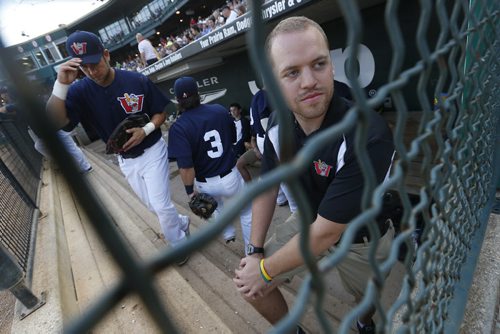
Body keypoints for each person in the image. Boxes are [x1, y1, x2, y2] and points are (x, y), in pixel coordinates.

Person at [233, 17, 395, 333]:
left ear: (332, 67)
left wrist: (264, 270)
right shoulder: (278, 123)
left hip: (361, 239)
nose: (309, 81)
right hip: (308, 221)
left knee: (366, 301)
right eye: (292, 72)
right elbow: (267, 186)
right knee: (249, 285)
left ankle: (364, 322)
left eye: (318, 64)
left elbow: (328, 233)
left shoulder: (366, 133)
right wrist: (255, 252)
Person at [46, 31, 190, 265]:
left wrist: (146, 130)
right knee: (154, 206)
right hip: (125, 159)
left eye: (95, 64)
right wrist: (61, 85)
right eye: (85, 68)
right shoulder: (79, 91)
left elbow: (161, 112)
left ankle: (179, 244)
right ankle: (182, 222)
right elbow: (54, 122)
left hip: (152, 149)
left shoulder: (134, 80)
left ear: (106, 55)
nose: (91, 71)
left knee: (162, 206)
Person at [167, 76, 252, 249]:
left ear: (178, 100)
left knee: (216, 205)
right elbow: (234, 139)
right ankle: (251, 251)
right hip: (229, 177)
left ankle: (228, 232)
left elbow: (186, 167)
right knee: (247, 212)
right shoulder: (219, 110)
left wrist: (190, 192)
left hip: (204, 182)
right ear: (198, 94)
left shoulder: (179, 126)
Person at [0, 86, 92, 173]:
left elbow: (4, 109)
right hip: (50, 131)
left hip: (55, 129)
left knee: (70, 147)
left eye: (5, 94)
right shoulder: (25, 102)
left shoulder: (21, 102)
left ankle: (86, 167)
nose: (5, 96)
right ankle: (68, 163)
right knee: (40, 146)